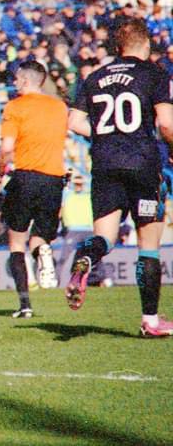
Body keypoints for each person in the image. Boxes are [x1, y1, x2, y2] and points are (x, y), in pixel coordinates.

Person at [66, 19, 173, 337]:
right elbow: (166, 124)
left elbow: (74, 121)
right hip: (141, 165)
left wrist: (104, 136)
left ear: (118, 47)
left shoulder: (95, 76)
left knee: (104, 237)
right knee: (149, 246)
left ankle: (86, 255)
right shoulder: (153, 73)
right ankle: (150, 321)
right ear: (146, 45)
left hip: (104, 164)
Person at [0, 61, 68, 319]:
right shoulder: (59, 107)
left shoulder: (15, 106)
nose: (14, 83)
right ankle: (43, 253)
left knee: (17, 241)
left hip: (26, 176)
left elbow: (6, 147)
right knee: (40, 237)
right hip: (54, 178)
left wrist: (0, 167)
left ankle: (25, 304)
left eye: (17, 79)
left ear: (26, 81)